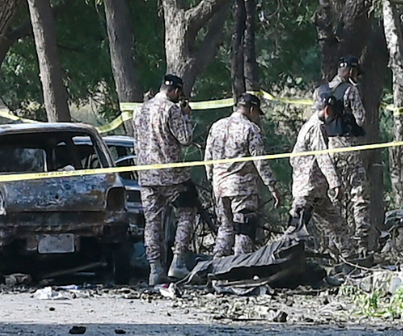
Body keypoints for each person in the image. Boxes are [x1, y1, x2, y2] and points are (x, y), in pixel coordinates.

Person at [133, 74, 196, 285]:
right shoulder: (172, 109)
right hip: (171, 175)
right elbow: (186, 139)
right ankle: (178, 261)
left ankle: (155, 269)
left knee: (152, 222)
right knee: (188, 211)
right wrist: (186, 116)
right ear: (176, 91)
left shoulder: (139, 110)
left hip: (146, 175)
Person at [204, 94, 281, 257]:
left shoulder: (217, 126)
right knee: (243, 229)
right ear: (251, 110)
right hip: (241, 188)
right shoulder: (250, 129)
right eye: (256, 113)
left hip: (220, 187)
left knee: (225, 227)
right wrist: (273, 187)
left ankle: (218, 263)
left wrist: (212, 179)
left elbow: (208, 158)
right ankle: (240, 265)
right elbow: (260, 161)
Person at [312, 55, 373, 254]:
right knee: (359, 195)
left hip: (327, 148)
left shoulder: (319, 92)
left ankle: (332, 246)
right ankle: (361, 243)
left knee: (333, 196)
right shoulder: (350, 90)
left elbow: (318, 120)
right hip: (349, 147)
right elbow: (361, 119)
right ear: (352, 71)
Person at [288, 93, 354, 258]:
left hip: (316, 190)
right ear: (327, 109)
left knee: (336, 225)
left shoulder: (311, 126)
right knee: (295, 230)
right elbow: (323, 157)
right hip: (308, 190)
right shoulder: (316, 127)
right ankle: (282, 260)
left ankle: (351, 260)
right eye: (333, 112)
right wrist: (335, 183)